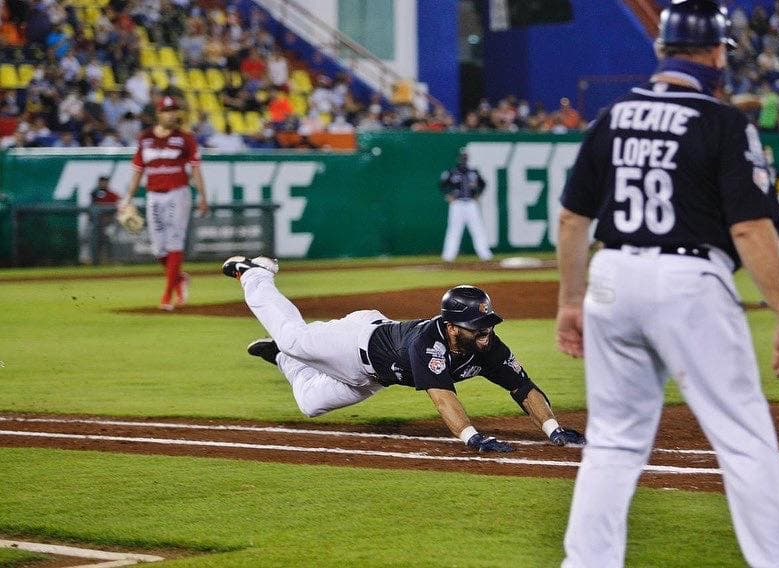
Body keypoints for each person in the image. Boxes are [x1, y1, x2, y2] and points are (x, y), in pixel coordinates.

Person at [555, 2, 779, 567]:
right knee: (743, 437)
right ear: (717, 54)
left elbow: (573, 220)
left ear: (661, 52)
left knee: (614, 442)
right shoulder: (722, 121)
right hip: (688, 278)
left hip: (611, 278)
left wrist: (571, 301)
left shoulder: (614, 115)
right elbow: (748, 226)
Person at [221, 255, 586, 451]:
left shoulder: (487, 344)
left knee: (309, 404)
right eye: (478, 328)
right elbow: (443, 399)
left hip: (373, 377)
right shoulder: (428, 343)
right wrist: (472, 437)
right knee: (294, 339)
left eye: (488, 325)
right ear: (453, 326)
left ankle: (284, 360)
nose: (486, 334)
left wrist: (552, 429)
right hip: (354, 342)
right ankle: (254, 274)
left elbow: (523, 386)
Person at [121, 95, 208, 311]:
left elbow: (196, 169)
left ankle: (167, 296)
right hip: (153, 195)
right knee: (159, 248)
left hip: (177, 193)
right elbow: (137, 171)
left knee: (174, 242)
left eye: (174, 110)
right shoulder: (146, 138)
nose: (171, 114)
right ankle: (179, 278)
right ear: (158, 113)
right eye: (167, 110)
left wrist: (202, 196)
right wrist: (127, 198)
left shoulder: (185, 138)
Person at [439, 149, 493, 263]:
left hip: (471, 204)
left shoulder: (473, 172)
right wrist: (448, 195)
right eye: (462, 156)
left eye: (465, 156)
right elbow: (442, 185)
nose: (464, 159)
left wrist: (478, 195)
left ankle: (485, 255)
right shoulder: (451, 172)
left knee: (478, 229)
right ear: (458, 158)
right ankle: (448, 257)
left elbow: (483, 184)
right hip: (457, 204)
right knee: (454, 230)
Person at [90, 175, 120, 263]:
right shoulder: (94, 193)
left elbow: (118, 204)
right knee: (95, 242)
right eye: (101, 182)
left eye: (105, 182)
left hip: (109, 223)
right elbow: (93, 208)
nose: (103, 183)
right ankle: (95, 261)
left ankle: (111, 260)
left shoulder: (112, 194)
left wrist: (110, 218)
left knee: (110, 242)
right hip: (97, 223)